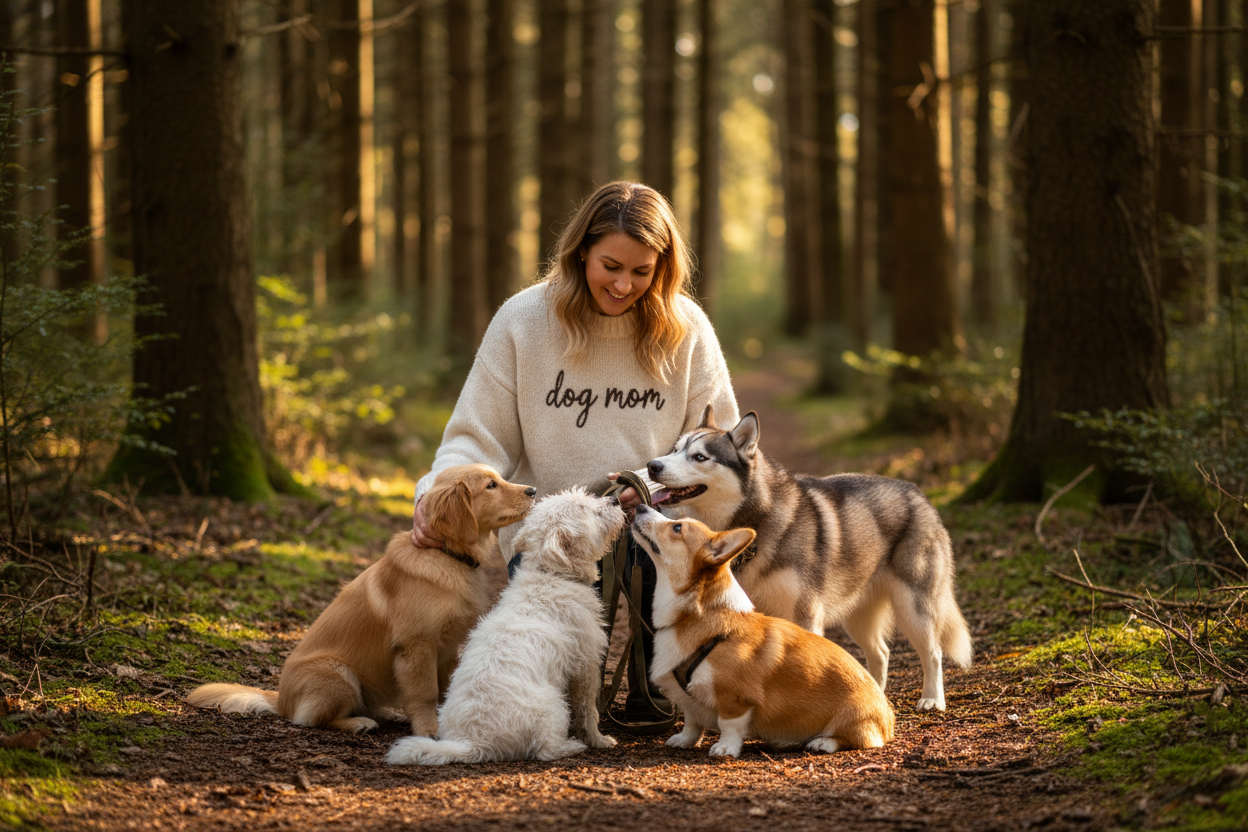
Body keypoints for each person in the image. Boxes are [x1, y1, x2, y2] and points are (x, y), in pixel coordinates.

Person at [409, 180, 739, 719]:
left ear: (664, 266)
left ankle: (656, 684)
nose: (624, 284)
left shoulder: (688, 330)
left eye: (642, 271)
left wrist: (653, 490)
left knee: (672, 705)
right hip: (552, 538)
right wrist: (432, 497)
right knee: (548, 706)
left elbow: (719, 447)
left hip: (656, 527)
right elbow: (473, 439)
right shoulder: (522, 321)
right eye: (610, 265)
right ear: (582, 248)